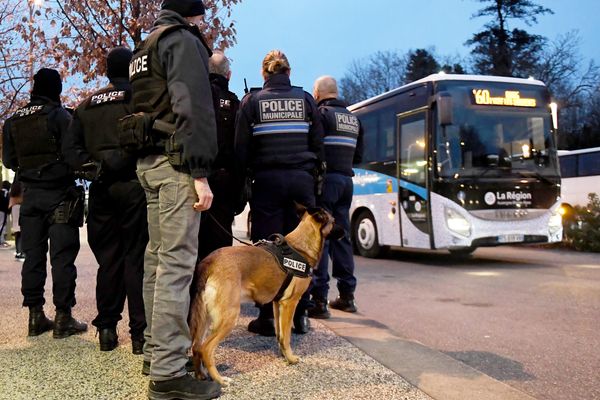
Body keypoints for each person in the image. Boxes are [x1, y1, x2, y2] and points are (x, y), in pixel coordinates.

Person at [127, 1, 220, 398]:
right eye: (201, 17)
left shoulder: (144, 47)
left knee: (157, 259)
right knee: (176, 267)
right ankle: (168, 372)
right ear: (192, 15)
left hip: (148, 163)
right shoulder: (182, 40)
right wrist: (200, 173)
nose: (203, 23)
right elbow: (193, 107)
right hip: (176, 163)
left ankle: (154, 351)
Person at [234, 50, 325, 336]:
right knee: (300, 248)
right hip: (301, 182)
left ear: (264, 74)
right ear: (289, 72)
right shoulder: (306, 100)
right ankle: (300, 316)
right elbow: (319, 144)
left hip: (268, 181)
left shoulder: (253, 101)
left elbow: (240, 149)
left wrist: (243, 180)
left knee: (269, 247)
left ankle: (267, 317)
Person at [64, 47, 148, 354]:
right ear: (131, 69)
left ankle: (107, 330)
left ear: (105, 71)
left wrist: (95, 168)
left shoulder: (86, 105)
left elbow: (70, 151)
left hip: (100, 190)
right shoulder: (139, 99)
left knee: (108, 261)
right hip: (135, 187)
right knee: (136, 260)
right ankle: (140, 335)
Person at [2, 68, 87, 338]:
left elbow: (9, 161)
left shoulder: (13, 121)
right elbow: (74, 155)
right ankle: (63, 318)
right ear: (57, 89)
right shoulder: (62, 117)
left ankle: (35, 316)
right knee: (62, 259)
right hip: (60, 195)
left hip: (30, 198)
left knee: (33, 258)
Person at [308, 76, 363, 319]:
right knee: (342, 238)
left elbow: (314, 146)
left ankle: (319, 300)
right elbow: (359, 155)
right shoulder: (354, 119)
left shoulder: (322, 115)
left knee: (322, 237)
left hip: (326, 181)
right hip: (346, 182)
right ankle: (347, 296)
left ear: (318, 93)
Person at [196, 51, 240, 262]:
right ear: (228, 75)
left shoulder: (198, 99)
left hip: (198, 177)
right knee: (221, 246)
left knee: (195, 242)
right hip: (225, 182)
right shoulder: (235, 104)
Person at [9, 179, 25, 261]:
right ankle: (22, 251)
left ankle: (18, 251)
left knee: (17, 231)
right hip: (21, 207)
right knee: (22, 231)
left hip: (14, 208)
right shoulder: (22, 188)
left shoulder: (13, 189)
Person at [0, 181, 10, 247]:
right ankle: (2, 240)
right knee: (2, 225)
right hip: (3, 211)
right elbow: (7, 203)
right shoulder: (7, 193)